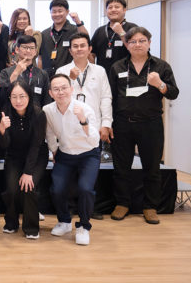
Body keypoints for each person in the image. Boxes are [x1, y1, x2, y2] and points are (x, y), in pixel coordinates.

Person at [108, 27, 179, 224]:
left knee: (152, 167)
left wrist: (160, 84)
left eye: (142, 41)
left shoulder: (161, 66)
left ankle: (150, 207)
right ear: (127, 45)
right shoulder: (117, 67)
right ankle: (122, 204)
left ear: (149, 42)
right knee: (121, 167)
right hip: (122, 124)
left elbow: (173, 93)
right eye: (133, 41)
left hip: (151, 124)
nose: (137, 44)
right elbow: (110, 97)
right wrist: (108, 122)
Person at [44, 74, 100, 246]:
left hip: (88, 154)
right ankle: (64, 221)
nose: (60, 92)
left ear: (71, 89)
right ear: (51, 93)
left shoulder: (84, 109)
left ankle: (84, 226)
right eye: (56, 89)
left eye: (64, 88)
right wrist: (54, 150)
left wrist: (83, 120)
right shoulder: (48, 110)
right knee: (57, 189)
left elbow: (95, 141)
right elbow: (49, 133)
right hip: (65, 154)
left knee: (85, 189)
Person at [0, 81, 48, 239]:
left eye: (22, 96)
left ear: (29, 96)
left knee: (29, 187)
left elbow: (36, 146)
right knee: (11, 189)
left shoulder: (39, 114)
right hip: (14, 156)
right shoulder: (5, 112)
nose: (18, 101)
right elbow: (4, 145)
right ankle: (11, 222)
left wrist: (28, 172)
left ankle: (31, 227)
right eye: (14, 97)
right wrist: (2, 130)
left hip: (36, 157)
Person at [56, 33, 112, 147]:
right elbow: (58, 99)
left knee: (93, 156)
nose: (79, 49)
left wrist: (106, 124)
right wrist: (71, 80)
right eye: (75, 46)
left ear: (89, 49)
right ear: (70, 51)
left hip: (94, 126)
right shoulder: (62, 71)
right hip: (69, 127)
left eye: (82, 45)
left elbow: (105, 98)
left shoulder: (99, 71)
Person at [39, 0, 89, 77]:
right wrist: (40, 76)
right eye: (54, 11)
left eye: (60, 11)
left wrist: (78, 22)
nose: (57, 14)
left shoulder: (75, 30)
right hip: (47, 77)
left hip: (69, 76)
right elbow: (40, 58)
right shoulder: (44, 33)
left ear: (67, 12)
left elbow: (86, 39)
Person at [0, 35, 51, 108]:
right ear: (17, 49)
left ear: (35, 51)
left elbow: (47, 101)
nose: (28, 51)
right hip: (13, 112)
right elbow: (2, 97)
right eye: (25, 47)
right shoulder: (5, 72)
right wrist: (16, 73)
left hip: (36, 113)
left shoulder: (42, 74)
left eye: (32, 48)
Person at [91, 0, 138, 74]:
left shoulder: (133, 28)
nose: (113, 10)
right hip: (103, 75)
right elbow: (92, 53)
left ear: (124, 10)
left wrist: (121, 32)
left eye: (117, 7)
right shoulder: (99, 30)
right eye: (110, 7)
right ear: (106, 11)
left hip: (126, 74)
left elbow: (136, 49)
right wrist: (93, 71)